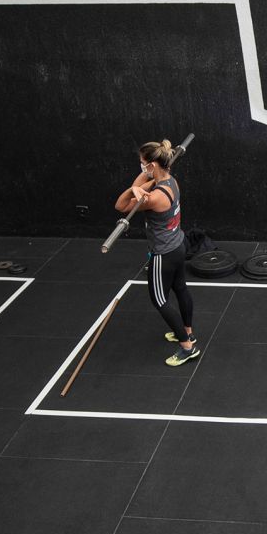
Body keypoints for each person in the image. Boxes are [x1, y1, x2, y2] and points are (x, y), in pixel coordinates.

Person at [111, 139, 198, 366]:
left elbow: (120, 205)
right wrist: (142, 186)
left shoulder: (154, 198)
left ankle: (187, 347)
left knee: (159, 300)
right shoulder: (171, 182)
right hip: (179, 244)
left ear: (152, 165)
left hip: (163, 254)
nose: (141, 167)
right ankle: (188, 332)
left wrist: (135, 189)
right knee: (180, 288)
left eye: (142, 163)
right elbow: (141, 186)